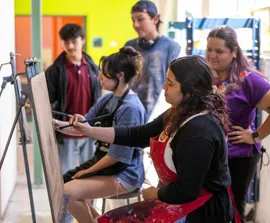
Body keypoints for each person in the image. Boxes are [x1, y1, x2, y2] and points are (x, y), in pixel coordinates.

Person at [69, 55, 236, 223]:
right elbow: (138, 135)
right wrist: (89, 131)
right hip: (175, 197)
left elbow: (186, 191)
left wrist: (154, 193)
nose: (164, 87)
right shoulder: (178, 112)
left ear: (190, 91)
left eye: (170, 84)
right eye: (166, 80)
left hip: (202, 211)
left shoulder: (199, 131)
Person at [53, 46, 146, 223]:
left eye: (104, 73)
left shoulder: (130, 108)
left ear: (120, 75)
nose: (99, 77)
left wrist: (87, 171)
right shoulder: (107, 99)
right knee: (63, 182)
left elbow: (117, 157)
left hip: (125, 173)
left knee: (67, 192)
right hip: (105, 162)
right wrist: (55, 124)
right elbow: (83, 127)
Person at [206, 25, 270, 222]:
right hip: (211, 153)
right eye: (209, 49)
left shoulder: (248, 80)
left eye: (219, 51)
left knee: (231, 208)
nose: (212, 55)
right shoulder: (206, 75)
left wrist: (255, 136)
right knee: (210, 208)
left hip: (238, 156)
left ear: (234, 52)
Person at [45, 23, 102, 174]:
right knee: (65, 176)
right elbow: (48, 102)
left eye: (74, 41)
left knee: (89, 174)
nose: (70, 46)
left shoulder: (93, 67)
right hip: (66, 134)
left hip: (90, 131)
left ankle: (84, 199)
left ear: (82, 40)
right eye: (66, 42)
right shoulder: (54, 71)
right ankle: (66, 199)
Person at [125, 0, 181, 119]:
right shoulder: (129, 47)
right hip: (132, 114)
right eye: (133, 20)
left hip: (160, 115)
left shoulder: (172, 48)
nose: (135, 25)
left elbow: (177, 85)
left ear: (155, 19)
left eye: (140, 19)